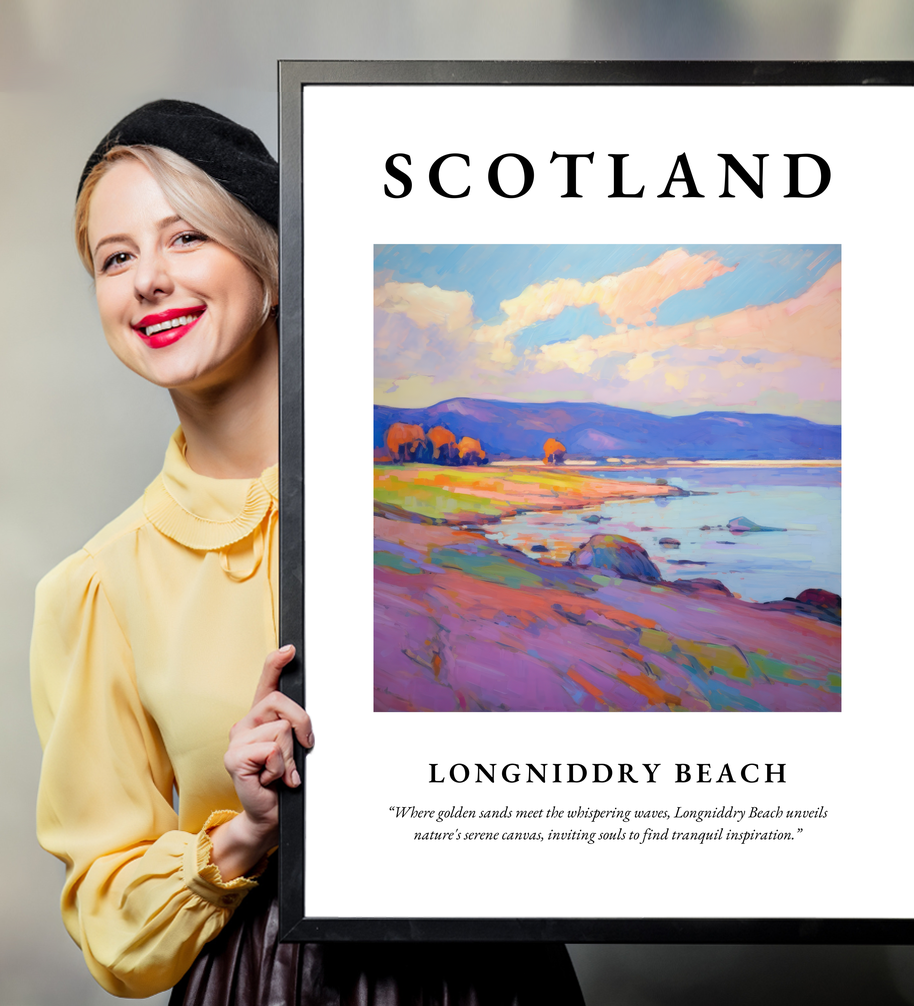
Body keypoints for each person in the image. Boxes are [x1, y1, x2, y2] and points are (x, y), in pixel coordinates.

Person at [30, 100, 586, 1004]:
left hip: (492, 973)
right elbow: (110, 924)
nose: (149, 281)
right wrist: (245, 833)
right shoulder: (97, 587)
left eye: (186, 237)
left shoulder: (412, 515)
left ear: (272, 261)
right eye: (115, 258)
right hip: (263, 982)